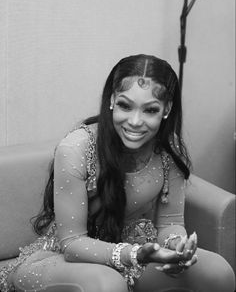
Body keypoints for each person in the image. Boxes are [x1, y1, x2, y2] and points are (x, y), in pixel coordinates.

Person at [1, 54, 235, 292]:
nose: (135, 121)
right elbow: (72, 244)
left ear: (167, 109)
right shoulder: (77, 148)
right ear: (112, 99)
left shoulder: (168, 149)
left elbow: (170, 223)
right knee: (108, 284)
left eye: (150, 110)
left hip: (133, 252)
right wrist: (135, 255)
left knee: (216, 270)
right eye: (125, 105)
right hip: (64, 258)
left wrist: (176, 247)